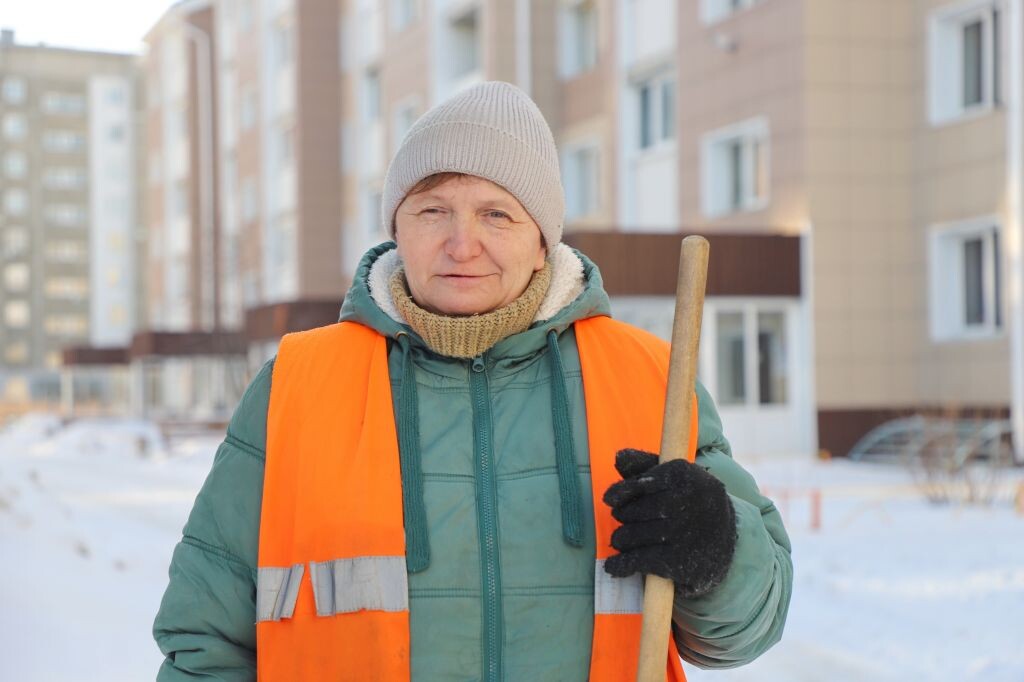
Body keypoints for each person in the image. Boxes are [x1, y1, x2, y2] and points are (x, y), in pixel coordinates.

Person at [153, 81, 791, 681]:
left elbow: (746, 629)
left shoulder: (648, 378)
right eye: (433, 210)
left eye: (496, 215)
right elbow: (204, 637)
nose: (463, 244)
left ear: (542, 241)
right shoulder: (297, 384)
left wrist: (719, 548)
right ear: (397, 229)